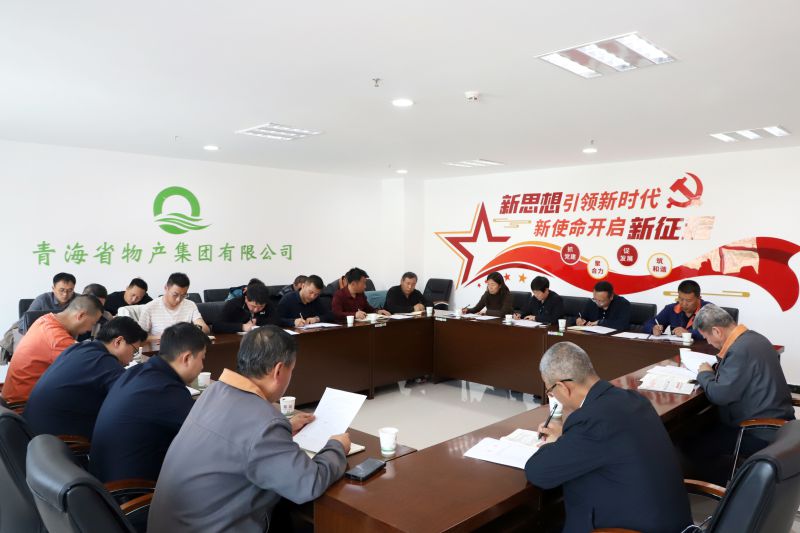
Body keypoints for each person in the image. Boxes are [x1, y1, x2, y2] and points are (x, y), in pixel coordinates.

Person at [147, 326, 350, 533]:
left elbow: (237, 436)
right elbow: (308, 483)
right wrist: (337, 447)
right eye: (292, 370)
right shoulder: (265, 422)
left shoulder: (214, 391)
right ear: (279, 370)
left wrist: (285, 428)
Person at [525, 342, 692, 533]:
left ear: (563, 387)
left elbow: (538, 473)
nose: (553, 396)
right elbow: (605, 441)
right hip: (674, 523)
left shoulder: (592, 420)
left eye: (550, 391)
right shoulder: (633, 399)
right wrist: (566, 437)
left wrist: (552, 444)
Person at [685, 304, 795, 484]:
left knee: (691, 443)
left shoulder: (739, 350)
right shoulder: (755, 338)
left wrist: (704, 374)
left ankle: (732, 489)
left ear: (717, 331)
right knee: (703, 428)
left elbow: (720, 395)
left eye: (707, 338)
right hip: (780, 425)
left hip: (758, 432)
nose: (709, 343)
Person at [90, 322, 210, 483]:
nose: (202, 366)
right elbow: (207, 435)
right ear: (187, 358)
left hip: (103, 477)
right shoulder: (165, 390)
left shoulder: (138, 371)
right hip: (131, 489)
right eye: (202, 358)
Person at [23, 317, 148, 439]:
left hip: (30, 432)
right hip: (59, 439)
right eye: (134, 351)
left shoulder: (79, 348)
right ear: (118, 341)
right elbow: (133, 399)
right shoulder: (104, 362)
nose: (133, 358)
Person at [1, 295, 103, 404]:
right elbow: (92, 365)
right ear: (81, 315)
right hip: (22, 405)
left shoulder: (46, 319)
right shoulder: (56, 338)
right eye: (92, 324)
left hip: (14, 396)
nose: (90, 329)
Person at [138, 272, 210, 342]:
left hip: (184, 347)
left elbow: (205, 329)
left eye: (183, 295)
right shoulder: (150, 308)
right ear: (166, 288)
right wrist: (162, 337)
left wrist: (192, 331)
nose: (179, 299)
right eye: (175, 295)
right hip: (161, 348)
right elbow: (139, 338)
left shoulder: (190, 305)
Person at [643, 279, 712, 340]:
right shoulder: (670, 309)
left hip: (700, 349)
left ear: (699, 298)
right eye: (681, 299)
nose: (684, 304)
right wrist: (653, 329)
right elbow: (648, 324)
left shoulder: (709, 309)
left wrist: (688, 333)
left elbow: (713, 331)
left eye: (689, 300)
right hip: (675, 348)